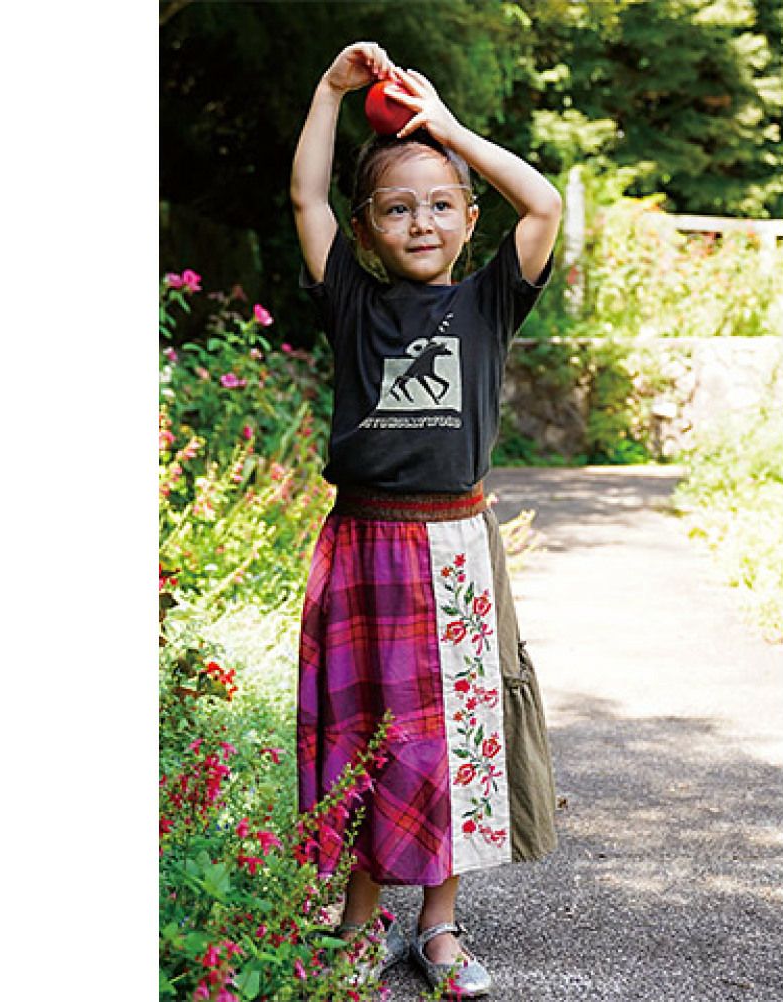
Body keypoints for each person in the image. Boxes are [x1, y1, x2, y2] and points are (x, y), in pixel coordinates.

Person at [290, 41, 561, 998]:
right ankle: (359, 923)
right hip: (364, 546)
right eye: (398, 207)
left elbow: (544, 204)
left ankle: (438, 928)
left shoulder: (491, 300)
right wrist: (331, 92)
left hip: (456, 550)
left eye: (442, 204)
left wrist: (445, 128)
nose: (422, 221)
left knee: (451, 738)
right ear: (367, 229)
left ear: (469, 220)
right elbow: (307, 198)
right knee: (371, 736)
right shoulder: (352, 301)